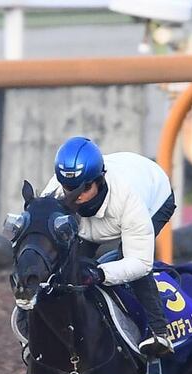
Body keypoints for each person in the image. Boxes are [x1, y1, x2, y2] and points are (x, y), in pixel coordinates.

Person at [40, 136, 176, 359]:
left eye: (84, 188)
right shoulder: (54, 192)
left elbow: (140, 263)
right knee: (71, 263)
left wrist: (100, 273)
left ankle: (159, 331)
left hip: (155, 196)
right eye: (69, 188)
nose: (76, 197)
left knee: (127, 260)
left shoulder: (129, 199)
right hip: (98, 221)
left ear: (99, 180)